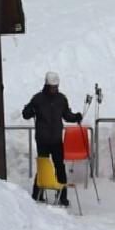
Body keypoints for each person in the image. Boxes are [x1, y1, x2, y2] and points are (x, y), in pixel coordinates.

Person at [20, 73, 82, 205]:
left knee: (60, 166)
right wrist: (29, 110)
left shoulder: (61, 99)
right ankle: (37, 194)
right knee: (43, 166)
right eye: (52, 87)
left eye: (56, 87)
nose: (54, 89)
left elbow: (66, 115)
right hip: (42, 140)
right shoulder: (38, 99)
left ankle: (62, 196)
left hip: (56, 140)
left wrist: (75, 116)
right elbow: (26, 114)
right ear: (46, 85)